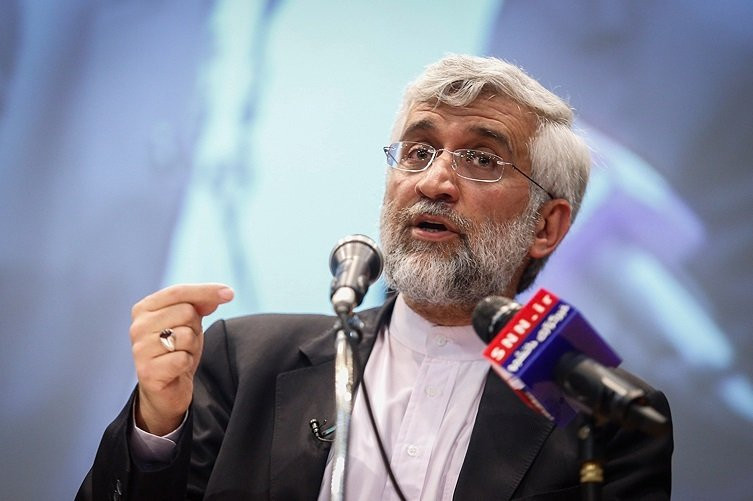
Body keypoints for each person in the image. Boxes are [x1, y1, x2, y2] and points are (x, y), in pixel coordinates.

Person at [77, 54, 672, 500]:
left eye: (482, 159)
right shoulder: (245, 359)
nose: (434, 182)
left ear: (546, 225)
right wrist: (157, 427)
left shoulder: (607, 415)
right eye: (417, 151)